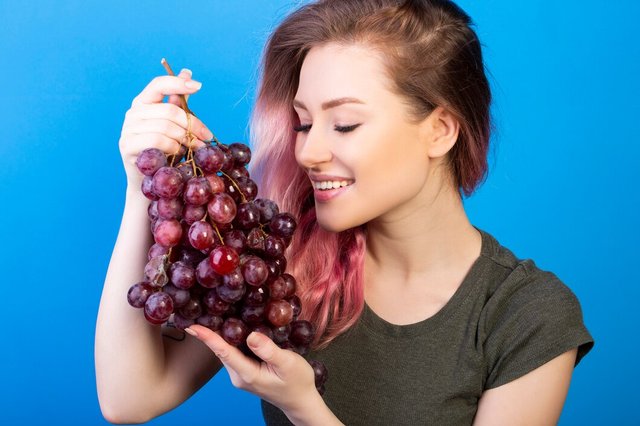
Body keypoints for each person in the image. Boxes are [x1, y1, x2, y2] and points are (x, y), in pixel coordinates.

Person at [95, 0, 594, 424]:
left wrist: (306, 410)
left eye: (346, 124)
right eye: (304, 123)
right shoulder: (279, 264)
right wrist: (144, 188)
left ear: (441, 130)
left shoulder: (527, 316)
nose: (308, 152)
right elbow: (130, 398)